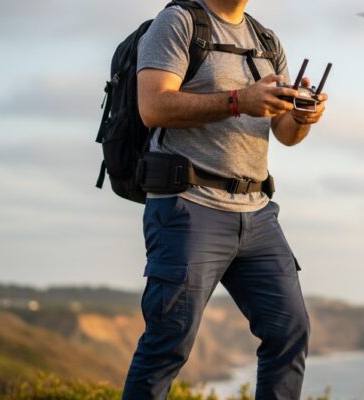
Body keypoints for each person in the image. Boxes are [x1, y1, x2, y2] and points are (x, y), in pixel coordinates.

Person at [121, 0, 327, 399]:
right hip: (188, 205)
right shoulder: (178, 22)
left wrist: (301, 117)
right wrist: (238, 101)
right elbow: (153, 106)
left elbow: (284, 132)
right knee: (169, 340)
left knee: (289, 330)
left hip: (257, 213)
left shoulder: (266, 40)